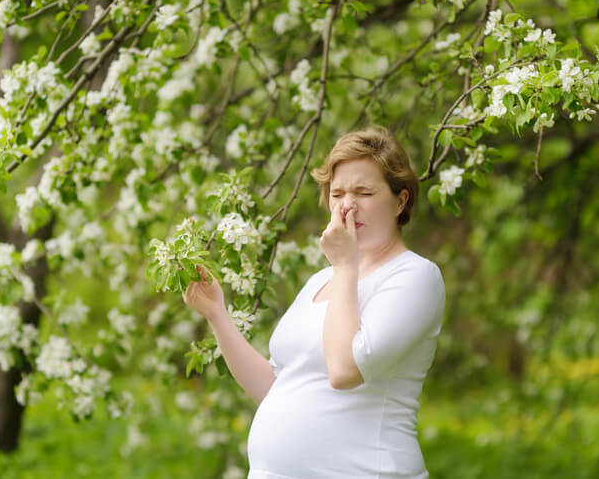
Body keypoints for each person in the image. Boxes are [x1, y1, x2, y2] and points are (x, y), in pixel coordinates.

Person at [183, 125, 446, 478]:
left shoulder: (414, 278)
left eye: (364, 192)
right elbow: (278, 386)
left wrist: (345, 264)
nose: (348, 206)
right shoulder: (322, 280)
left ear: (400, 201)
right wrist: (217, 313)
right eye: (337, 193)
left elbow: (344, 371)